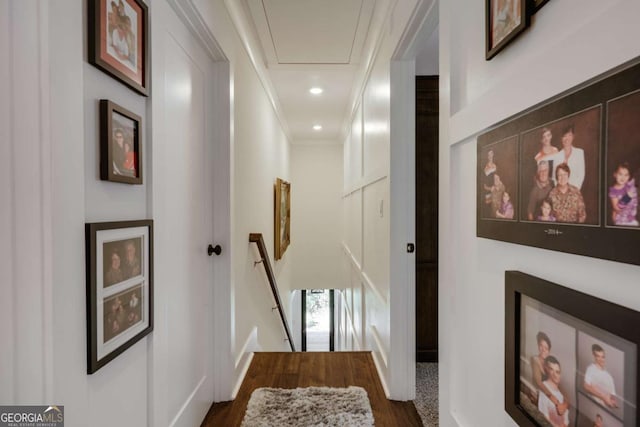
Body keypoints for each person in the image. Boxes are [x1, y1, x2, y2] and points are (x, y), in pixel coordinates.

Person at [530, 332, 568, 416]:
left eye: (546, 348)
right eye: (541, 346)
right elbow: (539, 383)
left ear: (549, 350)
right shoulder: (534, 359)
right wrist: (557, 402)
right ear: (538, 346)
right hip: (538, 395)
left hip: (550, 400)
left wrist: (564, 405)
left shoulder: (550, 364)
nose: (543, 349)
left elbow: (561, 387)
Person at [547, 124, 585, 190]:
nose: (567, 139)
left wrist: (574, 192)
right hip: (560, 192)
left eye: (569, 135)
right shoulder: (557, 156)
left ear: (573, 136)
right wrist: (560, 191)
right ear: (561, 138)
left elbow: (581, 175)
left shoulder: (579, 152)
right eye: (564, 136)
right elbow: (554, 177)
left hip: (575, 192)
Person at [538, 355, 570, 427]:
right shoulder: (544, 388)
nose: (555, 375)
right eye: (552, 370)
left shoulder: (562, 395)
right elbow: (544, 419)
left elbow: (566, 421)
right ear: (547, 371)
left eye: (557, 372)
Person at [584, 344, 618, 409]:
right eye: (598, 356)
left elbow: (612, 395)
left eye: (603, 357)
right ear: (594, 356)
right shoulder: (591, 369)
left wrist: (612, 401)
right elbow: (586, 386)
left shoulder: (609, 376)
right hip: (595, 406)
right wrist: (603, 397)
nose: (601, 359)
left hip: (605, 408)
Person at [483, 149, 497, 217]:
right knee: (488, 211)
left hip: (494, 191)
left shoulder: (495, 166)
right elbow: (484, 186)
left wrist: (495, 187)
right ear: (487, 156)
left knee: (494, 210)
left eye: (491, 154)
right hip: (488, 192)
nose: (490, 156)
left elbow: (496, 178)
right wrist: (490, 189)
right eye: (489, 154)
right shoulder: (485, 167)